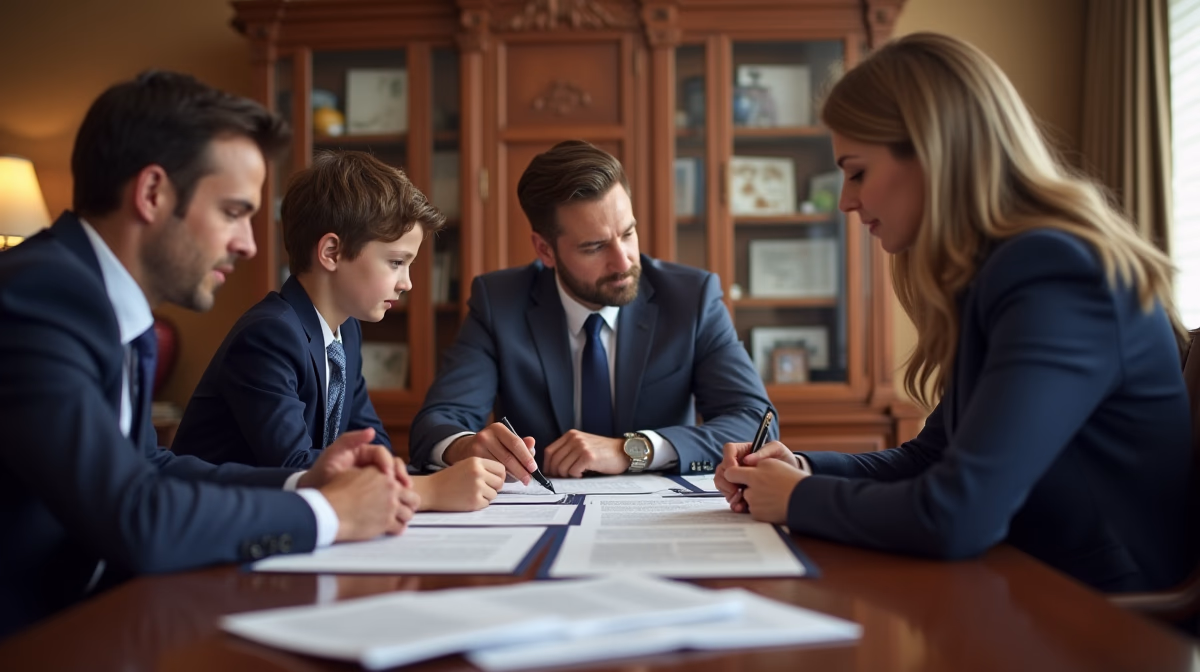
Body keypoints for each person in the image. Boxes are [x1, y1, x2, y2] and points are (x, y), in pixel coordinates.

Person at [715, 32, 1197, 592]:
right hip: (1023, 582)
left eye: (857, 171)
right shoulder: (1004, 271)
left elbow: (956, 516)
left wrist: (797, 498)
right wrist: (802, 469)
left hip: (1098, 615)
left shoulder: (1056, 272)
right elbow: (932, 457)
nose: (845, 200)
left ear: (931, 153)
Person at [0, 71, 420, 639]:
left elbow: (152, 466)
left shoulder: (110, 307)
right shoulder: (41, 297)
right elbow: (136, 514)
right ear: (152, 194)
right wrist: (332, 513)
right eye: (233, 211)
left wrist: (308, 484)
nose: (248, 243)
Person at [409, 140, 776, 481]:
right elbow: (437, 423)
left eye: (628, 234)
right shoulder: (499, 303)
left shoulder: (691, 298)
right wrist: (466, 446)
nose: (623, 261)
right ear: (545, 250)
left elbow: (755, 423)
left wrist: (634, 449)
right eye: (595, 246)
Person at [173, 150, 504, 511]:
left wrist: (388, 474)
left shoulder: (346, 333)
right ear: (331, 251)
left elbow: (373, 443)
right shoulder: (269, 336)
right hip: (221, 523)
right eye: (396, 262)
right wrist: (426, 490)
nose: (407, 283)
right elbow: (293, 467)